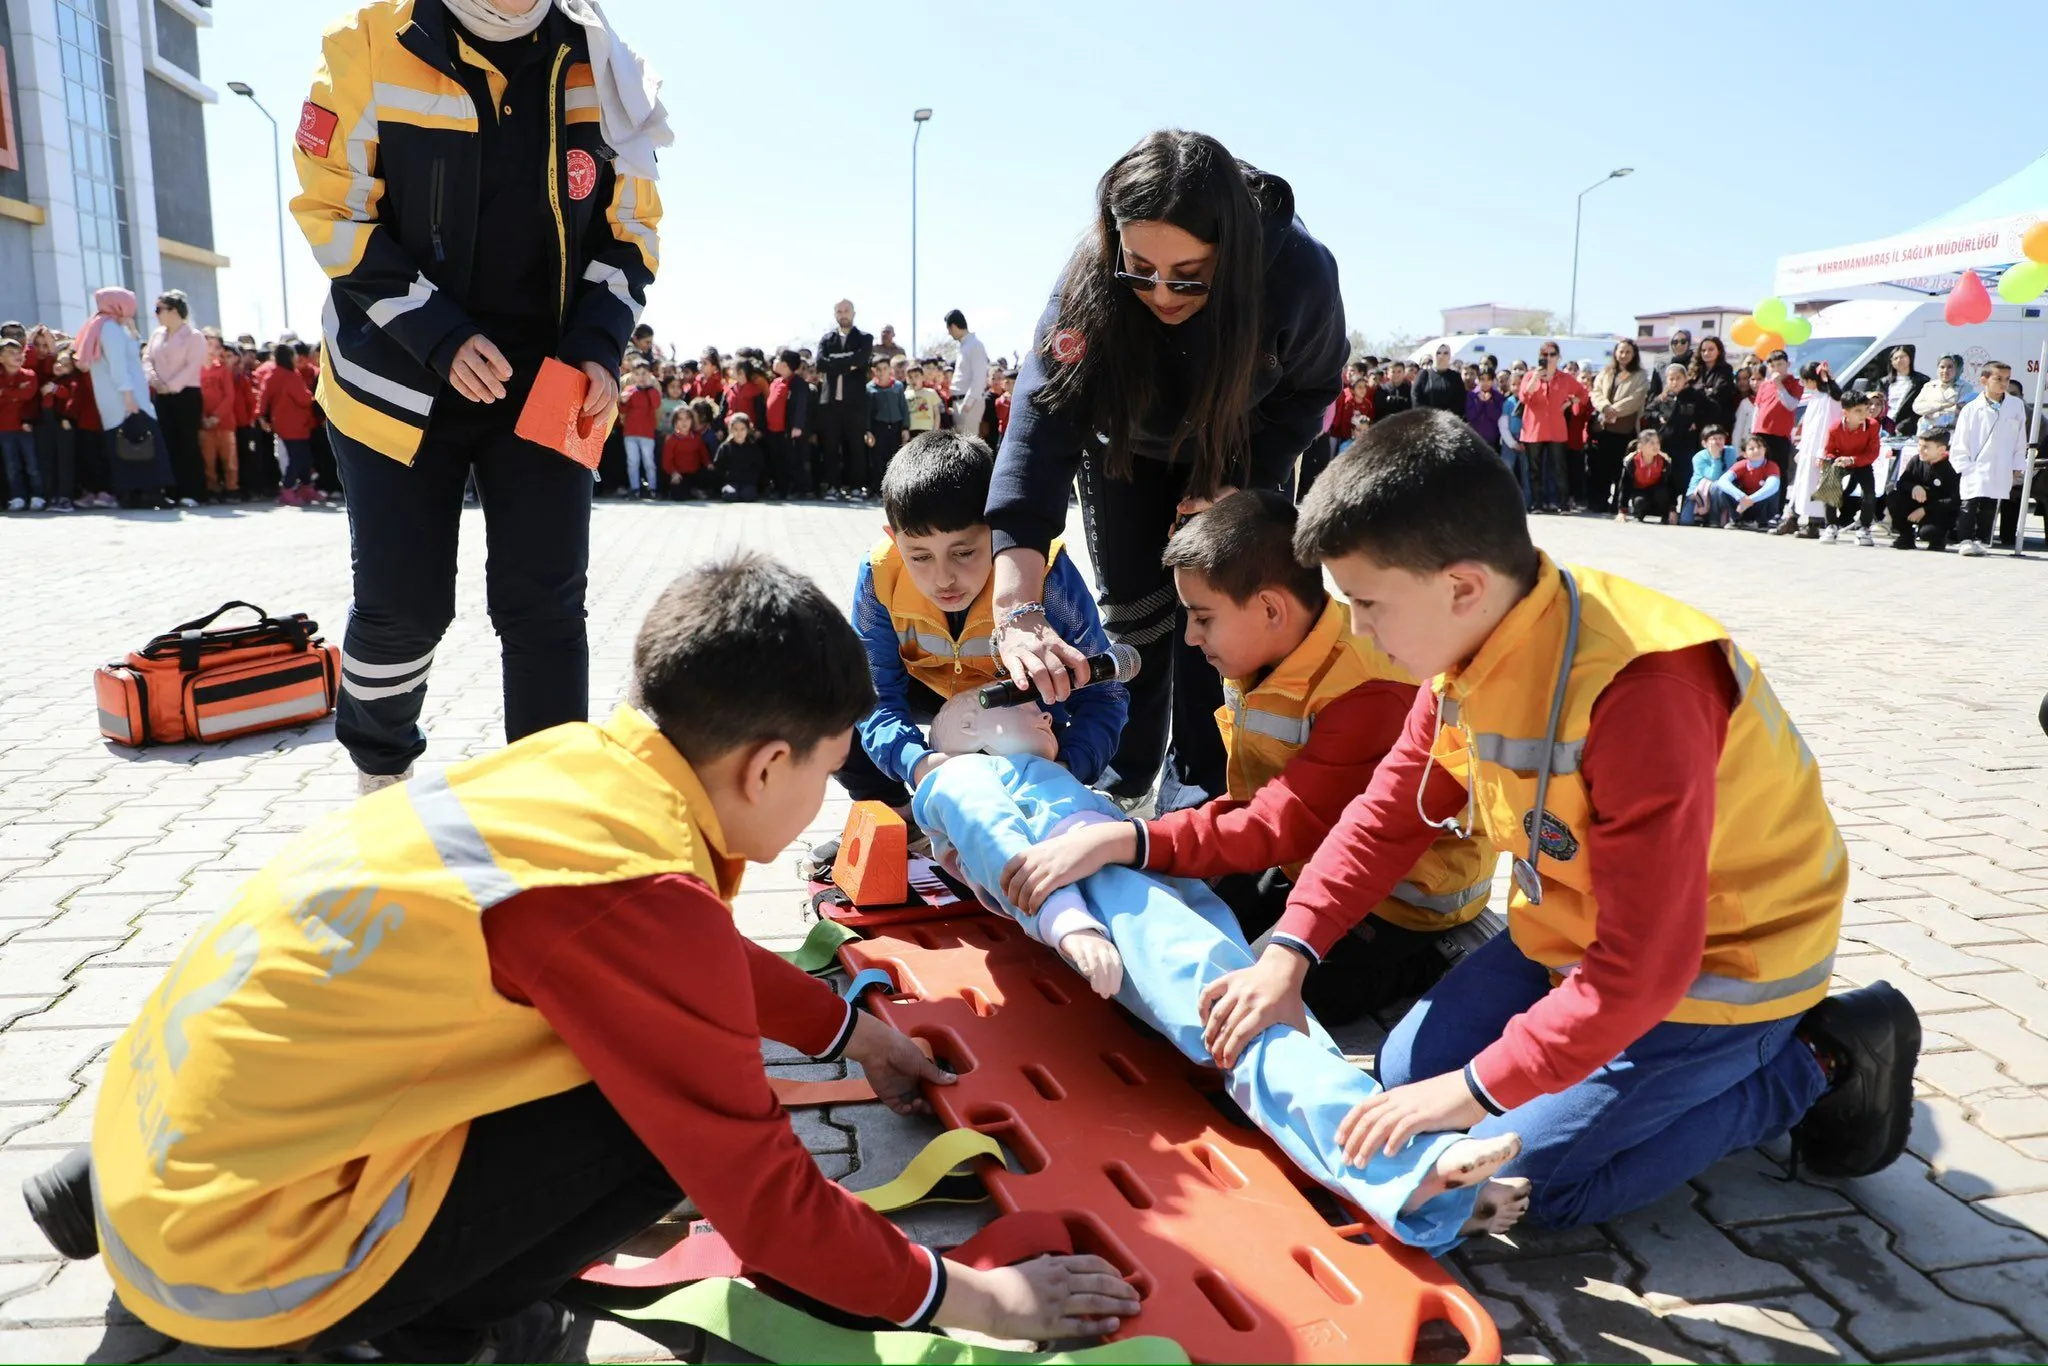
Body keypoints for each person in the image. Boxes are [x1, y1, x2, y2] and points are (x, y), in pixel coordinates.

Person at [22, 555, 1140, 1361]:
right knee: (655, 1120)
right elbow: (762, 1202)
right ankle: (424, 1333)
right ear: (765, 766)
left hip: (173, 1128)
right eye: (823, 776)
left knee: (636, 1051)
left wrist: (851, 1030)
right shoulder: (636, 885)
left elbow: (678, 955)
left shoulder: (591, 770)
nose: (814, 810)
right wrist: (984, 1299)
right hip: (233, 1248)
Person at [1196, 408, 1920, 1231]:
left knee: (1518, 1184)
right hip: (1575, 939)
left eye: (1367, 603)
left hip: (1715, 973)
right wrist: (1289, 953)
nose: (1357, 629)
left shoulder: (1643, 692)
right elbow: (1387, 817)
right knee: (1402, 1075)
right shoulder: (1466, 649)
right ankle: (1649, 1083)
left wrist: (1471, 1091)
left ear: (1460, 585)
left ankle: (1809, 1063)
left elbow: (1646, 966)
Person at [293, 0, 663, 795]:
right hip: (395, 369)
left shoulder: (605, 60)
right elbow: (332, 211)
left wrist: (599, 343)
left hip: (554, 377)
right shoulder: (364, 42)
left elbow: (633, 227)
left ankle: (546, 808)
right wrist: (440, 335)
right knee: (403, 605)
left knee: (547, 607)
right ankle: (380, 783)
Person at [999, 489, 1495, 1021]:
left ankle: (1434, 964)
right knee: (1166, 930)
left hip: (1397, 903)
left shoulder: (1373, 690)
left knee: (1226, 1005)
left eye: (1202, 617)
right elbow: (1264, 814)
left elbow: (1280, 820)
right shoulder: (1271, 645)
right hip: (1300, 855)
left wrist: (1123, 837)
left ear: (1269, 608)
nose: (1189, 638)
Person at [988, 130, 1347, 809]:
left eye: (1189, 275)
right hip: (1127, 443)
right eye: (1139, 268)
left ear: (1233, 256)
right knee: (1135, 615)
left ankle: (1208, 789)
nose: (1160, 293)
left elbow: (1312, 390)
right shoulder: (1087, 283)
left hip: (1243, 445)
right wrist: (1018, 609)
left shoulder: (1297, 272)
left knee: (1219, 619)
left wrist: (1250, 480)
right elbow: (1038, 432)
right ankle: (1124, 776)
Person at [839, 429, 1127, 815]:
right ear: (894, 539)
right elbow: (874, 695)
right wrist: (915, 763)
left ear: (1000, 534)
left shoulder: (1046, 575)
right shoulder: (879, 574)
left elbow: (1103, 694)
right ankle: (898, 815)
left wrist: (1067, 768)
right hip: (925, 691)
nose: (943, 579)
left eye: (964, 552)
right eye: (920, 557)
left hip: (1023, 701)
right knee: (827, 694)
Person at [75, 288, 175, 509]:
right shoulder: (109, 329)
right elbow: (119, 366)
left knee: (125, 448)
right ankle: (151, 493)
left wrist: (132, 332)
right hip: (127, 398)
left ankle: (134, 494)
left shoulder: (103, 326)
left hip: (117, 400)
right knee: (146, 444)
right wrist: (129, 397)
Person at [1951, 361, 2027, 557]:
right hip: (1975, 463)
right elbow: (1961, 438)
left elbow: (2020, 438)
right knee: (1970, 502)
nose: (2003, 383)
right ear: (1984, 380)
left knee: (1990, 503)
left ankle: (1981, 539)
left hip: (2001, 463)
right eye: (1998, 379)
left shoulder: (2016, 406)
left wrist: (2018, 464)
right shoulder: (1971, 408)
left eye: (2007, 379)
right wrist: (1964, 464)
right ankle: (1965, 539)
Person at [143, 290, 207, 508]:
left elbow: (192, 366)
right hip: (161, 395)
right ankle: (171, 490)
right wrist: (155, 381)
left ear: (174, 310)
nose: (157, 314)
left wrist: (171, 386)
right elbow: (147, 359)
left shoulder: (194, 336)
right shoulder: (156, 335)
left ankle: (193, 491)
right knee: (167, 443)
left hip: (186, 395)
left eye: (159, 309)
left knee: (187, 443)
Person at [1518, 343, 1588, 514]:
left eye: (1552, 354)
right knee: (1534, 469)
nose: (1549, 358)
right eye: (1545, 354)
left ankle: (1563, 504)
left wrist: (1571, 402)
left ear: (1558, 357)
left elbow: (1583, 393)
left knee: (1559, 467)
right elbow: (1524, 397)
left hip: (1556, 428)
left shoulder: (1564, 378)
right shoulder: (1530, 376)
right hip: (1534, 428)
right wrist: (1535, 379)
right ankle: (1537, 503)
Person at [1777, 361, 1841, 540]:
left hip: (1819, 450)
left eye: (1805, 380)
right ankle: (1794, 517)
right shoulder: (1817, 397)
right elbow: (1810, 427)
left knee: (1814, 486)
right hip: (1808, 449)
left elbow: (1828, 427)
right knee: (1802, 485)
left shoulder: (1829, 399)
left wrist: (1823, 451)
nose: (1803, 384)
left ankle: (1814, 524)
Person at [816, 300, 872, 499]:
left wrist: (836, 362)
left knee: (855, 446)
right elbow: (820, 364)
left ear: (854, 313)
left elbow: (861, 358)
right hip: (830, 404)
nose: (843, 314)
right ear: (835, 315)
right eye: (839, 311)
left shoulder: (864, 338)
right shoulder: (827, 339)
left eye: (846, 311)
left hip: (855, 403)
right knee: (830, 446)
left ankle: (856, 487)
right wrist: (848, 364)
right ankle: (833, 487)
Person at [1588, 340, 1648, 514]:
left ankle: (1618, 503)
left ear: (1634, 354)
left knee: (1620, 469)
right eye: (1621, 351)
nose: (1624, 355)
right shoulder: (1606, 372)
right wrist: (1605, 407)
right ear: (1615, 352)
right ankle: (1599, 501)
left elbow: (1636, 398)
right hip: (1603, 427)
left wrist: (1614, 410)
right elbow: (1596, 392)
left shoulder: (1640, 375)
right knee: (1601, 468)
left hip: (1624, 429)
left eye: (1628, 352)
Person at [259, 341, 321, 506]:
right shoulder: (291, 376)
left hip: (285, 425)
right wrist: (314, 398)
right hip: (295, 425)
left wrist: (261, 417)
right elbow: (303, 399)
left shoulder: (272, 375)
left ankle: (307, 488)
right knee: (298, 458)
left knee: (304, 457)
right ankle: (287, 490)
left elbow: (264, 397)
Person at [1822, 389, 1881, 545]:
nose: (1864, 414)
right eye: (1858, 411)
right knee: (1829, 485)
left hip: (1862, 462)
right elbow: (1829, 451)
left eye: (1866, 409)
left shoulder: (1873, 425)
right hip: (1840, 461)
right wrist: (1834, 460)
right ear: (1846, 412)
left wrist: (1853, 460)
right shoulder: (1834, 428)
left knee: (1869, 492)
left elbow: (1873, 453)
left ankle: (1864, 527)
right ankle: (1831, 525)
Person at [1887, 426, 1958, 551]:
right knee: (1894, 496)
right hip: (1917, 504)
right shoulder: (1916, 461)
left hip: (1938, 510)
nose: (1920, 450)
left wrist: (1926, 509)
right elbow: (1902, 483)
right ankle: (1906, 536)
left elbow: (1955, 500)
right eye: (1919, 445)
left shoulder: (1952, 468)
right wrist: (1914, 487)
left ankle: (1939, 539)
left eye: (1926, 447)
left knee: (1928, 533)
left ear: (1941, 449)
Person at [1754, 351, 1804, 528]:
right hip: (1760, 434)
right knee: (1759, 472)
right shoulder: (1764, 385)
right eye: (1773, 366)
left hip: (1779, 436)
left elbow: (1791, 404)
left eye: (1780, 365)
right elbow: (1758, 409)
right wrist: (1753, 434)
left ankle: (1776, 511)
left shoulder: (1794, 383)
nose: (1776, 369)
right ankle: (1757, 510)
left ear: (1787, 365)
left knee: (1778, 474)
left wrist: (1779, 385)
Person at [196, 328, 241, 502]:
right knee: (208, 460)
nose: (213, 348)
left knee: (229, 459)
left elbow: (229, 396)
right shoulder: (195, 369)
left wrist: (216, 416)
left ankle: (232, 488)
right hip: (204, 423)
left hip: (224, 422)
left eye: (216, 345)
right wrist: (202, 418)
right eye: (209, 344)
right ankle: (212, 489)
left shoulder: (223, 370)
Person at [1877, 347, 1928, 494]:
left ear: (1910, 358)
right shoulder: (1884, 382)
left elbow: (1919, 408)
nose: (1899, 360)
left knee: (1902, 467)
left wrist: (1903, 425)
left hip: (1908, 431)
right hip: (1886, 430)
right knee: (1884, 466)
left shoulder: (1921, 381)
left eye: (1903, 357)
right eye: (1895, 358)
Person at [763, 348, 811, 499]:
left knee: (792, 461)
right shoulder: (776, 381)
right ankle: (779, 488)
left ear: (785, 364)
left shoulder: (798, 383)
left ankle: (798, 489)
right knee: (777, 460)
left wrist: (797, 426)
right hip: (773, 430)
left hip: (788, 430)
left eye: (778, 359)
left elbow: (801, 407)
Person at [0, 339, 41, 511]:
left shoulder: (30, 374)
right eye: (10, 352)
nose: (17, 356)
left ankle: (37, 495)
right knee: (11, 465)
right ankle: (18, 497)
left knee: (32, 464)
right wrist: (17, 391)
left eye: (18, 352)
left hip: (25, 428)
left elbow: (28, 395)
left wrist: (5, 393)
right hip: (4, 428)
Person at [1715, 434, 1783, 528]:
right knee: (1724, 490)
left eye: (1759, 447)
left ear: (1765, 449)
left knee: (1773, 491)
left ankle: (1763, 522)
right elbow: (1722, 481)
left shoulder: (1772, 466)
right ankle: (1736, 520)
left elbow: (1773, 486)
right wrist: (1741, 497)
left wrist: (1750, 500)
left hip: (1759, 506)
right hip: (1742, 507)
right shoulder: (1741, 465)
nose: (1756, 450)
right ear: (1744, 454)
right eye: (1751, 448)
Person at [618, 360, 663, 499]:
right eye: (637, 374)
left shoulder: (653, 391)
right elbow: (623, 410)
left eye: (644, 373)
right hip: (630, 433)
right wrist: (623, 401)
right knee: (633, 462)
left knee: (649, 461)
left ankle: (652, 488)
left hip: (647, 433)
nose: (641, 377)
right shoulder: (628, 390)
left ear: (649, 374)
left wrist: (649, 389)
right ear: (633, 376)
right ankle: (635, 488)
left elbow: (656, 405)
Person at [946, 309, 991, 442]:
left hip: (968, 404)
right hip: (961, 402)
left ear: (953, 326)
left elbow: (979, 376)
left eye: (949, 329)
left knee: (969, 446)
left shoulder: (974, 345)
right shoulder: (966, 345)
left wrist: (968, 402)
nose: (948, 333)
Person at [1615, 430, 1675, 523]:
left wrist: (1672, 509)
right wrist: (1622, 511)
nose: (1656, 446)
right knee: (1639, 501)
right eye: (1651, 443)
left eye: (1657, 442)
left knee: (1661, 492)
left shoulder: (1664, 461)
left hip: (1658, 494)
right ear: (1640, 446)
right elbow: (1624, 486)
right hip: (1640, 493)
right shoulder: (1631, 462)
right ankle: (1639, 514)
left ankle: (1665, 515)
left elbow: (1671, 485)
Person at [866, 354, 908, 484]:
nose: (882, 372)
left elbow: (903, 408)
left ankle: (894, 487)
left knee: (895, 458)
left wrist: (905, 428)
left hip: (896, 427)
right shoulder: (869, 388)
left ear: (890, 369)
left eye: (885, 368)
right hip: (878, 427)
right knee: (878, 458)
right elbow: (867, 412)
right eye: (879, 369)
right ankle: (877, 488)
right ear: (874, 371)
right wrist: (867, 431)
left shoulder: (898, 386)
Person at [660, 405, 715, 499]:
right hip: (679, 474)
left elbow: (703, 454)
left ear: (692, 421)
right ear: (675, 422)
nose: (684, 422)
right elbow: (667, 461)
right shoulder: (671, 440)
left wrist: (708, 463)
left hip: (695, 473)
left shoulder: (697, 438)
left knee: (712, 475)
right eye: (680, 419)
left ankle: (696, 490)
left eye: (687, 419)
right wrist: (673, 473)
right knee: (678, 495)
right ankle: (693, 492)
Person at [1680, 425, 1731, 526]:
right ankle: (1703, 514)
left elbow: (1728, 475)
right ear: (1704, 443)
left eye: (1720, 438)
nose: (1717, 442)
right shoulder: (1699, 457)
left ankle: (1714, 519)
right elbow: (1712, 477)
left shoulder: (1730, 451)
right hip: (1698, 494)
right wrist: (1716, 457)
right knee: (1686, 521)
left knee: (1717, 486)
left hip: (1719, 492)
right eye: (1713, 439)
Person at [1690, 336, 1739, 436]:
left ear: (1719, 351)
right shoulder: (1695, 370)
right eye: (1703, 350)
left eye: (1711, 349)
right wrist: (1706, 391)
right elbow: (1690, 393)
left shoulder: (1725, 369)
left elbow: (1721, 392)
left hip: (1716, 422)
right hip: (1696, 423)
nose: (1706, 353)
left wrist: (1700, 393)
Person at [711, 410, 762, 501]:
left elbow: (758, 466)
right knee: (731, 496)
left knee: (748, 496)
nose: (739, 432)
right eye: (736, 429)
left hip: (748, 482)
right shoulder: (725, 447)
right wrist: (723, 482)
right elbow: (719, 467)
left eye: (742, 429)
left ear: (748, 430)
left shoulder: (753, 447)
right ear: (730, 430)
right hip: (730, 482)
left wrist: (752, 480)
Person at [1412, 344, 1466, 415]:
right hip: (1427, 420)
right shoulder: (1424, 375)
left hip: (1450, 421)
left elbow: (1460, 399)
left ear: (1450, 356)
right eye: (1438, 353)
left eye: (1445, 353)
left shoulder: (1455, 376)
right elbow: (1416, 397)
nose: (1441, 356)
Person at [1464, 369, 1505, 455]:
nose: (1485, 382)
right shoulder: (1471, 395)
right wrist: (1480, 402)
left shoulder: (1498, 397)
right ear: (1478, 380)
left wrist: (1488, 402)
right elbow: (1470, 415)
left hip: (1491, 439)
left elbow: (1497, 416)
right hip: (1474, 437)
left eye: (1488, 379)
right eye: (1482, 379)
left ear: (1492, 380)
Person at [1648, 327, 1695, 398]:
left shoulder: (1696, 365)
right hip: (1666, 405)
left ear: (1689, 343)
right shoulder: (1661, 366)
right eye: (1675, 342)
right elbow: (1653, 393)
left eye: (1683, 341)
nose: (1679, 345)